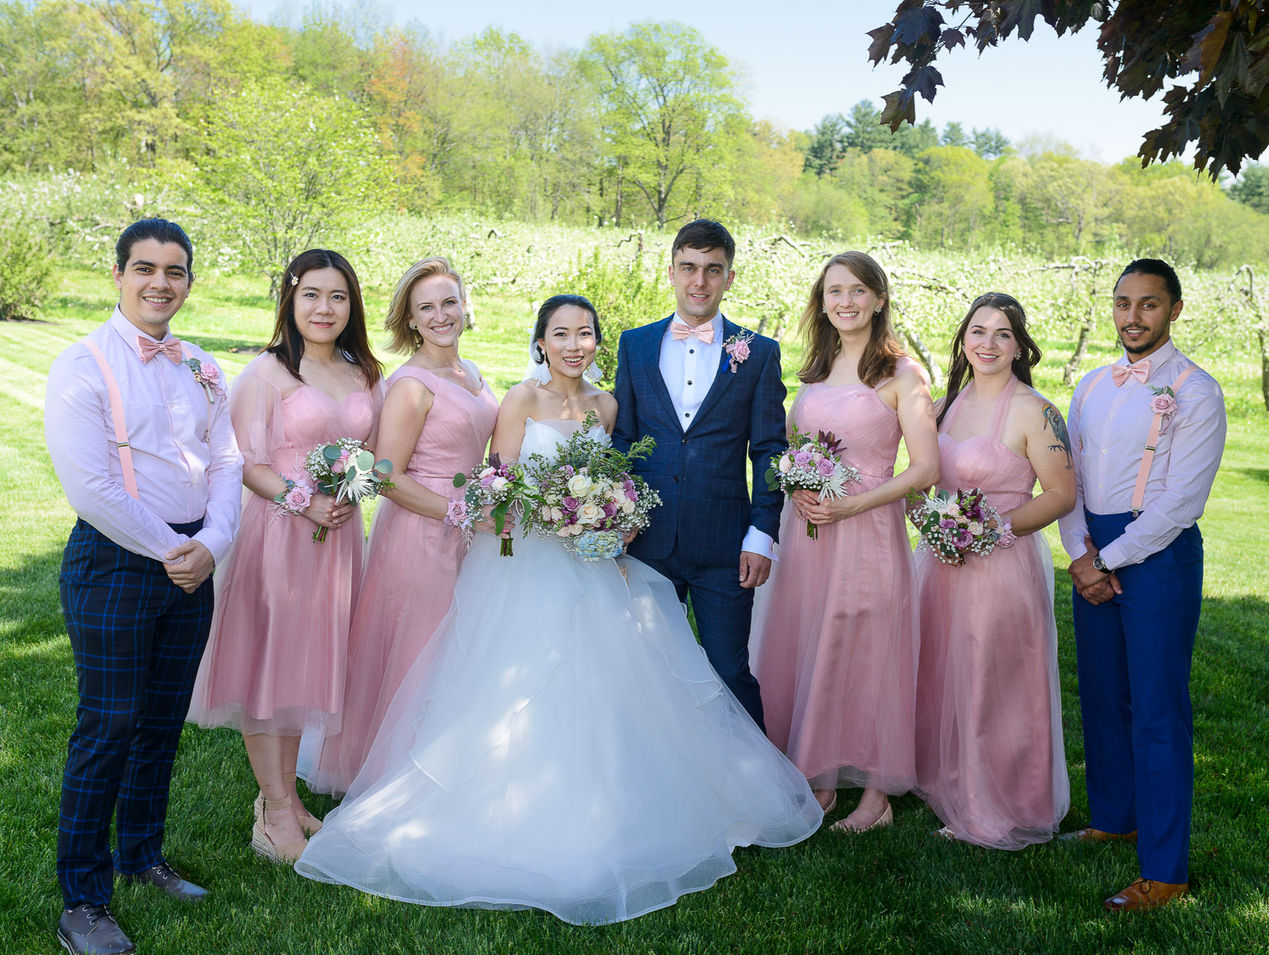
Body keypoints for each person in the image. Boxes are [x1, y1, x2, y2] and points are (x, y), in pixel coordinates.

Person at [294, 295, 822, 925]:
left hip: (593, 563)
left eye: (586, 333)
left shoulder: (605, 405)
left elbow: (619, 475)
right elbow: (502, 485)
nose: (575, 345)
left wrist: (612, 516)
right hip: (525, 565)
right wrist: (551, 513)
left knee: (613, 680)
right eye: (561, 334)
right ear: (540, 341)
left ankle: (621, 802)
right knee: (511, 683)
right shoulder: (520, 400)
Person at [44, 219, 243, 955]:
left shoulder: (202, 365)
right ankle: (83, 898)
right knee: (109, 725)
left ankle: (141, 855)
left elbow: (226, 460)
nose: (161, 282)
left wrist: (212, 544)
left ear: (189, 281)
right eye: (145, 268)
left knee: (161, 723)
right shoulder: (83, 364)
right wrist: (174, 550)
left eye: (176, 270)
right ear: (119, 275)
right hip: (118, 559)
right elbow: (91, 487)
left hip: (193, 560)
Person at [186, 249, 383, 863]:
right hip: (280, 534)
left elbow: (372, 452)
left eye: (338, 297)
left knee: (305, 664)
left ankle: (292, 800)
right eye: (312, 295)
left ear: (352, 305)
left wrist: (356, 487)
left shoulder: (361, 372)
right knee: (270, 667)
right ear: (290, 301)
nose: (325, 309)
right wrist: (305, 502)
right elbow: (245, 463)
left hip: (339, 537)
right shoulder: (267, 374)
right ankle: (271, 809)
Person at [751, 252, 939, 831]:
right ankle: (821, 779)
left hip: (866, 531)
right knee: (809, 640)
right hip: (806, 533)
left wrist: (853, 504)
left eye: (858, 291)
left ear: (879, 299)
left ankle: (877, 796)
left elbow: (925, 470)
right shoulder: (814, 373)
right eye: (835, 291)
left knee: (868, 649)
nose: (846, 302)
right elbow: (787, 446)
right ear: (822, 301)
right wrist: (793, 482)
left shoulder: (902, 376)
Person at [1059, 260, 1225, 911]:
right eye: (1122, 302)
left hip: (1155, 555)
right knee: (1102, 694)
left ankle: (1164, 870)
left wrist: (1110, 558)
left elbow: (1180, 500)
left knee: (1157, 711)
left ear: (1174, 309)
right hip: (1091, 549)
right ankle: (1112, 814)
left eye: (1148, 305)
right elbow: (1065, 473)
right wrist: (1079, 551)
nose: (1132, 316)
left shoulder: (1197, 390)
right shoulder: (1091, 384)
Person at [301, 257, 497, 797]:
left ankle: (445, 764)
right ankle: (393, 774)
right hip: (420, 534)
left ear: (465, 305)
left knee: (455, 650)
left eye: (449, 303)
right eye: (426, 308)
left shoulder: (472, 374)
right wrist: (458, 512)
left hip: (469, 531)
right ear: (410, 320)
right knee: (417, 651)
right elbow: (385, 477)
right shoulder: (411, 384)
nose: (441, 316)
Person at [913, 292, 1075, 849]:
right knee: (941, 669)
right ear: (963, 340)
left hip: (1002, 564)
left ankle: (998, 802)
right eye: (978, 332)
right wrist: (931, 522)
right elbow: (923, 482)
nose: (988, 343)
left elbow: (1060, 494)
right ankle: (945, 780)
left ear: (1019, 345)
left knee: (993, 678)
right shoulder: (945, 406)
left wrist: (991, 529)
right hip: (940, 563)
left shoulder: (1036, 410)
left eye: (1002, 334)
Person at [612, 218, 785, 729]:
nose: (700, 282)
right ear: (671, 272)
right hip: (645, 537)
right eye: (689, 268)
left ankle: (755, 787)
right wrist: (615, 515)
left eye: (713, 270)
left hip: (725, 545)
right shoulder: (635, 344)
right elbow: (622, 438)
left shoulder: (758, 353)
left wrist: (762, 535)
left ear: (729, 277)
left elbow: (771, 451)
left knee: (729, 668)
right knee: (647, 668)